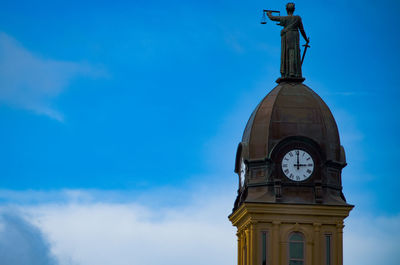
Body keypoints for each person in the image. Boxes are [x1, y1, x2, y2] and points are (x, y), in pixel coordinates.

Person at [267, 3, 309, 80]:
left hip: (287, 37)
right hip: (294, 37)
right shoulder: (297, 18)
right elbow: (302, 30)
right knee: (293, 52)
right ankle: (294, 72)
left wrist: (269, 13)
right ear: (294, 9)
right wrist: (306, 39)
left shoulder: (285, 18)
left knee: (287, 53)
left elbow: (272, 18)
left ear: (286, 9)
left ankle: (287, 72)